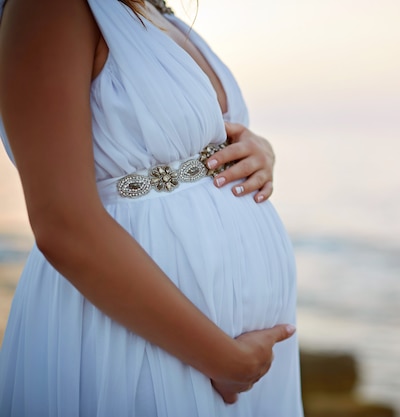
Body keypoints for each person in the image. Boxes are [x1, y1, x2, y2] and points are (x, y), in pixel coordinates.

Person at [0, 0, 303, 415]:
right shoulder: (49, 8)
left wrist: (259, 149)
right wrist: (223, 360)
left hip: (235, 361)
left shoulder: (159, 12)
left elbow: (192, 140)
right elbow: (61, 222)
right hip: (139, 342)